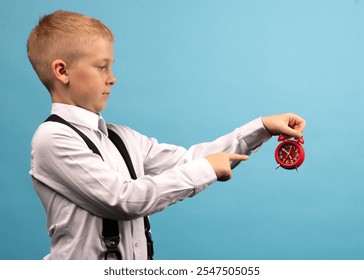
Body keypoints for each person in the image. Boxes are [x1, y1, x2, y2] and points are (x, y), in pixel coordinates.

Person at [27, 10, 306, 260]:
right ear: (62, 71)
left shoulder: (122, 137)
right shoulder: (52, 139)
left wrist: (262, 127)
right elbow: (122, 199)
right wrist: (206, 169)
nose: (112, 78)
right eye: (101, 67)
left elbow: (189, 160)